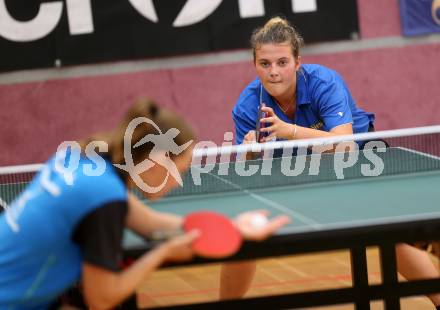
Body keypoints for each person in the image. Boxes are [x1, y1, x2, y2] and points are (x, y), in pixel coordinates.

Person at [228, 16, 440, 307]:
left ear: (297, 61)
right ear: (255, 65)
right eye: (265, 64)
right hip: (300, 170)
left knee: (390, 236)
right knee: (245, 238)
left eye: (282, 62)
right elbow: (248, 167)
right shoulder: (247, 105)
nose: (273, 72)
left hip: (362, 162)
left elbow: (345, 146)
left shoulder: (323, 82)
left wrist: (286, 131)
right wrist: (250, 150)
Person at [0, 98, 290, 309]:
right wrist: (161, 254)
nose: (178, 181)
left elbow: (148, 223)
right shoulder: (104, 198)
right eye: (179, 170)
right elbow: (102, 298)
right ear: (155, 159)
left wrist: (232, 227)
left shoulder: (83, 160)